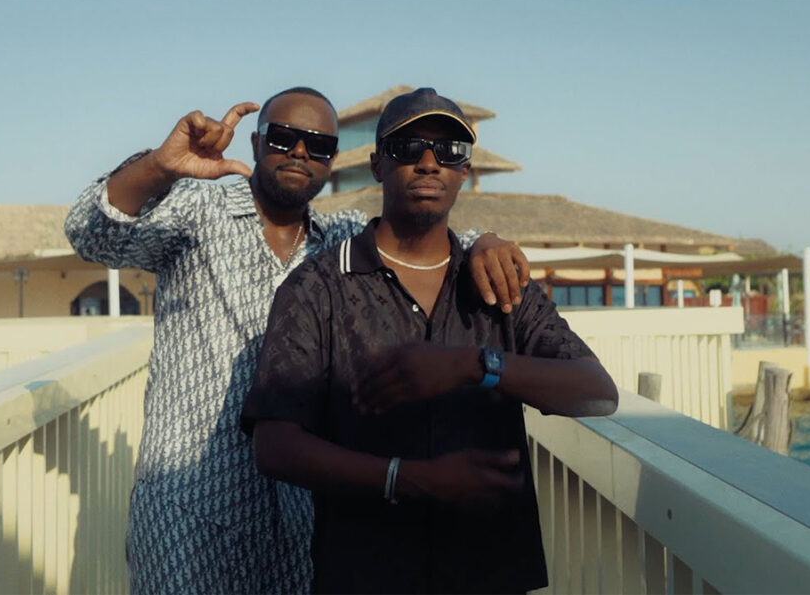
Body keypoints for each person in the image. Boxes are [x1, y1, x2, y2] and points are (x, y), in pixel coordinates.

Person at [64, 86, 531, 594]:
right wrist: (160, 166)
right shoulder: (199, 213)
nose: (301, 153)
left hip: (301, 510)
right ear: (257, 143)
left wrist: (484, 241)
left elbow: (422, 237)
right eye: (284, 138)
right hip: (190, 506)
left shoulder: (339, 242)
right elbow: (90, 232)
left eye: (320, 145)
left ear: (334, 160)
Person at [243, 87, 619, 594]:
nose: (428, 162)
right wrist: (409, 479)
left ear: (464, 170)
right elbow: (275, 446)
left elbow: (597, 392)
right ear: (377, 165)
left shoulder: (497, 284)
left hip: (490, 575)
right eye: (407, 147)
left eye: (449, 150)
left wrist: (476, 365)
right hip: (365, 576)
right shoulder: (318, 286)